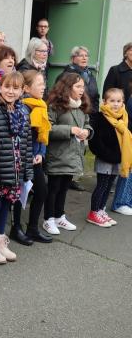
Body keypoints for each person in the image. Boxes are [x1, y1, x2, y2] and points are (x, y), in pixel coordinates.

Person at [0, 72, 33, 264]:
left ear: (22, 90)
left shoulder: (24, 112)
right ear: (0, 87)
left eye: (15, 88)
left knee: (5, 206)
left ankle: (0, 240)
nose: (11, 91)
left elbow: (27, 144)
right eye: (7, 87)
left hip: (15, 171)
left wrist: (27, 172)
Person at [43, 73, 93, 235]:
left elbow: (87, 124)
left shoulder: (81, 105)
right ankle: (48, 219)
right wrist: (70, 130)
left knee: (64, 187)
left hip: (73, 154)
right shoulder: (55, 106)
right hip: (58, 155)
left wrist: (87, 131)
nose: (81, 90)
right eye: (78, 86)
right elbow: (47, 128)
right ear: (67, 87)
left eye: (82, 87)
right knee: (54, 188)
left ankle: (59, 216)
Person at [56, 46, 100, 192]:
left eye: (86, 55)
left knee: (81, 148)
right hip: (71, 115)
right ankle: (66, 178)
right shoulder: (67, 74)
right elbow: (59, 94)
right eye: (81, 55)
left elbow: (95, 96)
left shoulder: (90, 74)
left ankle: (72, 177)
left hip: (87, 114)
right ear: (73, 58)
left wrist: (94, 113)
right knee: (69, 148)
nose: (84, 58)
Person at [88, 88, 132, 225]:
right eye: (112, 101)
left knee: (109, 186)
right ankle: (93, 212)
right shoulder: (100, 118)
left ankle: (101, 209)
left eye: (119, 101)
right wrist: (107, 154)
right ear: (104, 102)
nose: (116, 104)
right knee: (102, 185)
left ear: (123, 102)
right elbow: (95, 141)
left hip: (117, 159)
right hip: (105, 158)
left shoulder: (123, 117)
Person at [21, 70, 52, 243]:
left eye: (43, 84)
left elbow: (43, 133)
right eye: (39, 84)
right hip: (25, 158)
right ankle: (16, 228)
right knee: (20, 196)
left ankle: (32, 228)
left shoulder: (41, 105)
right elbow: (25, 136)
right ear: (26, 88)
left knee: (41, 191)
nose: (43, 87)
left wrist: (41, 153)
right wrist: (31, 154)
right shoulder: (24, 107)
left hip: (36, 158)